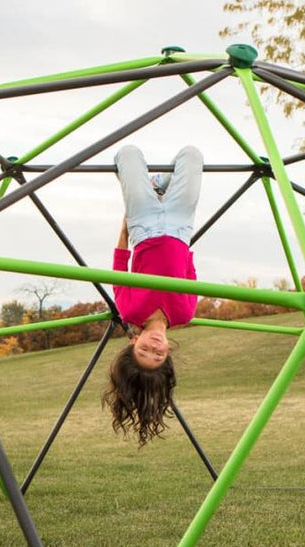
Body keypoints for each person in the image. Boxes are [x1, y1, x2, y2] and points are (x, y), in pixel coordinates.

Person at [102, 144, 203, 446]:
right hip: (180, 227)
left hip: (143, 225)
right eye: (158, 355)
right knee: (191, 155)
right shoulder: (185, 313)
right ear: (168, 352)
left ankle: (156, 186)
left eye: (144, 351)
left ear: (134, 342)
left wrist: (126, 225)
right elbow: (191, 272)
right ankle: (160, 185)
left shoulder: (129, 311)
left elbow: (120, 266)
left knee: (128, 154)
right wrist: (181, 245)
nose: (153, 348)